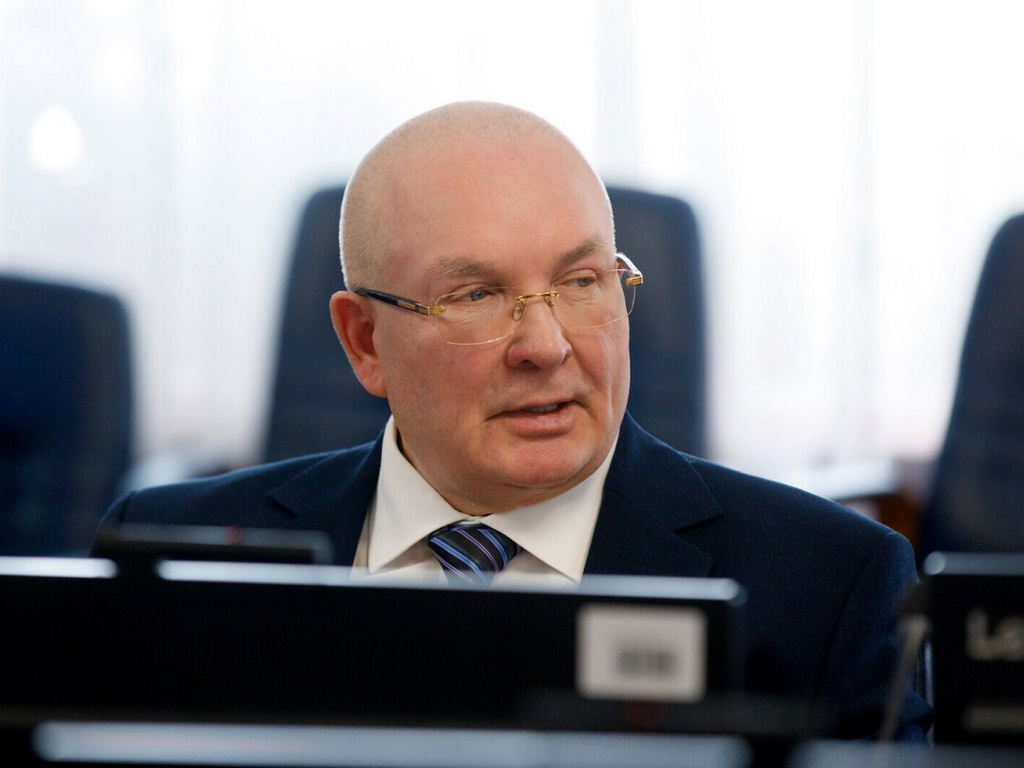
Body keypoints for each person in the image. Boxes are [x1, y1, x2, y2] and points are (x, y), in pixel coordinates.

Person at [97, 101, 931, 740]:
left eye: (582, 282)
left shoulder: (828, 590)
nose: (546, 345)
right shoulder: (172, 557)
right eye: (476, 296)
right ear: (365, 342)